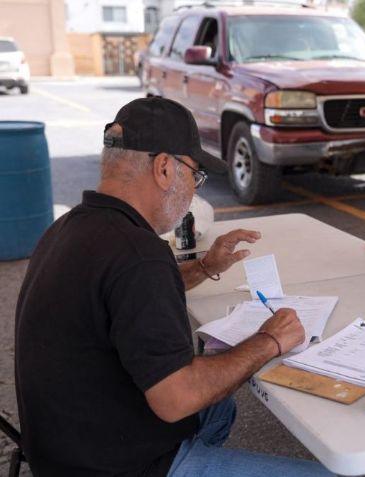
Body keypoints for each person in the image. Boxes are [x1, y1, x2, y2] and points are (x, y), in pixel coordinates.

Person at [14, 97, 332, 477]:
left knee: (220, 408)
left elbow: (121, 297)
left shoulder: (70, 228)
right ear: (164, 167)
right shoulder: (139, 253)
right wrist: (270, 341)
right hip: (120, 466)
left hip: (65, 446)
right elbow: (176, 399)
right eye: (195, 176)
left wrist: (205, 267)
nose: (193, 193)